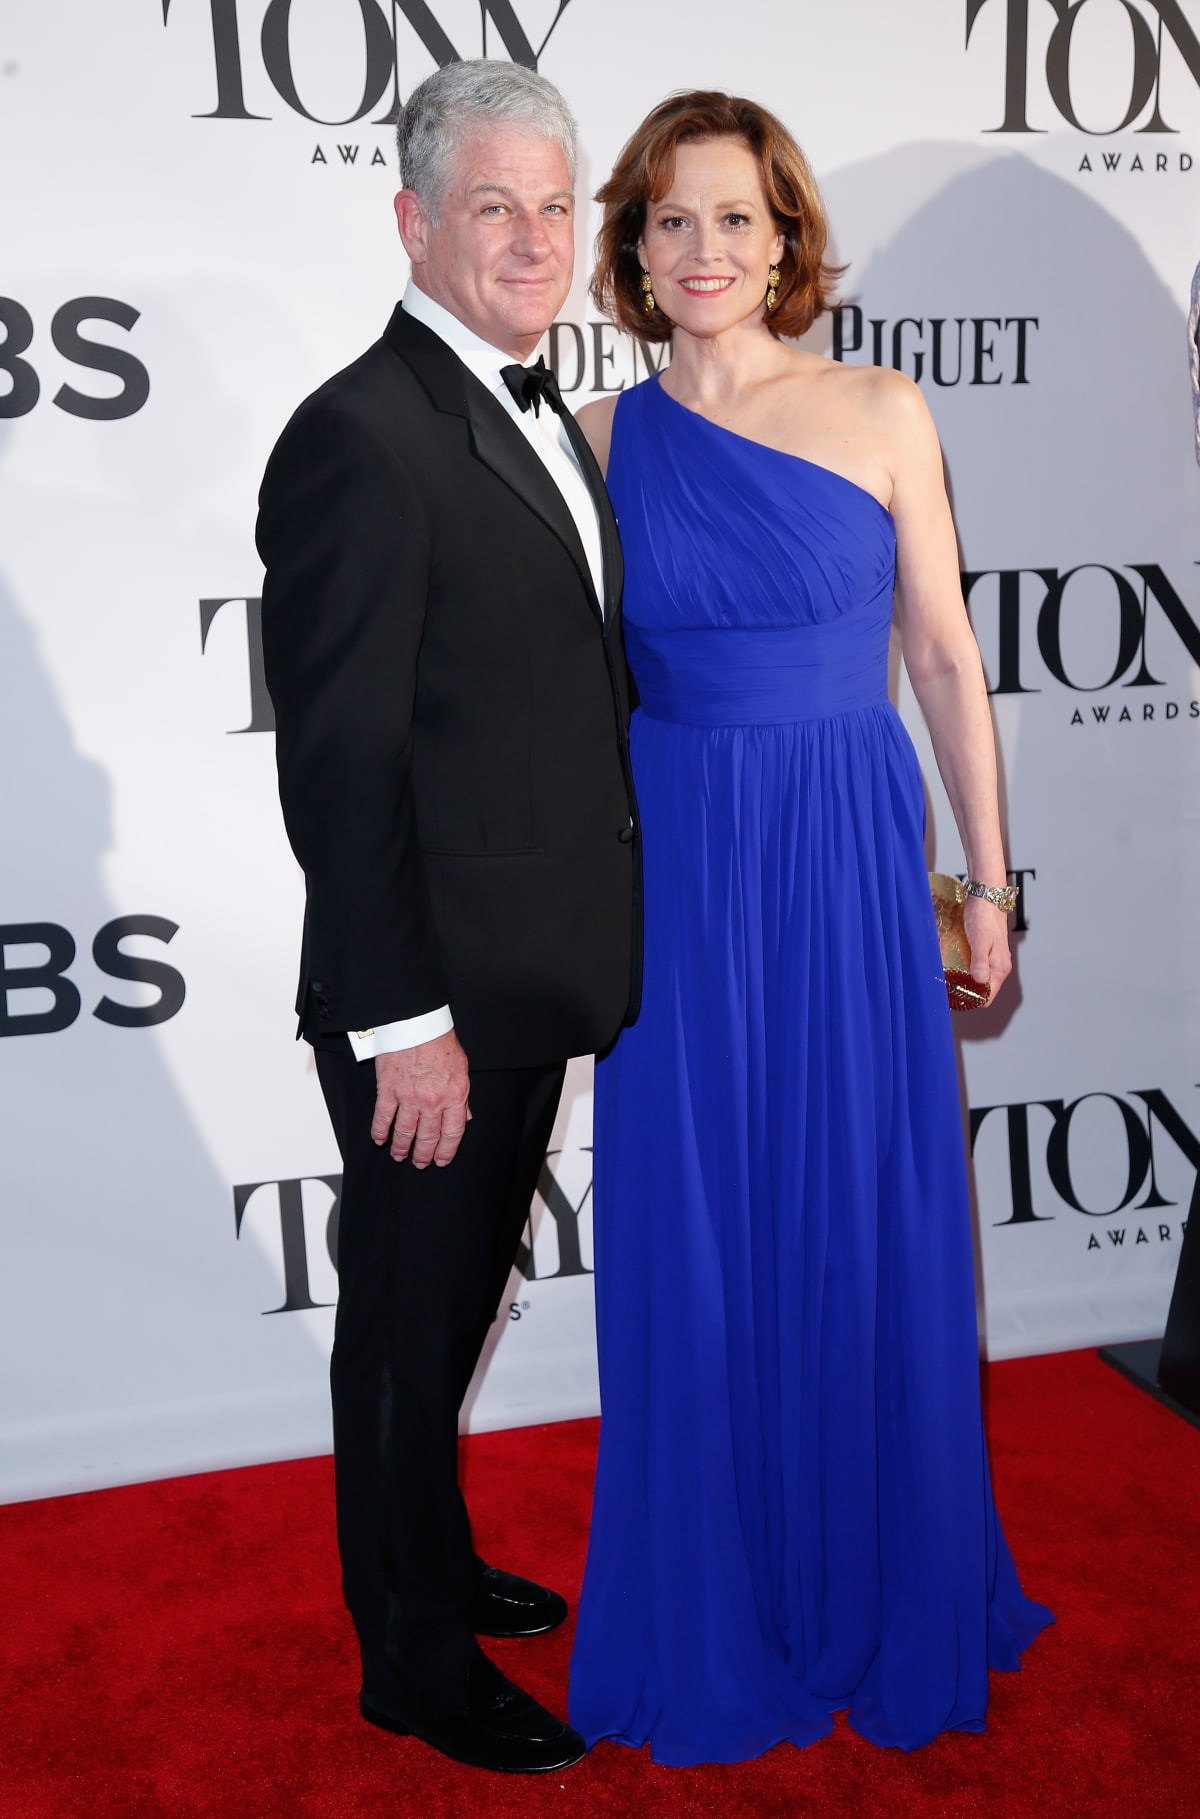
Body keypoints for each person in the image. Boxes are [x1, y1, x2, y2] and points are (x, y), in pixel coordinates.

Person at [567, 91, 1052, 1766]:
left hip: (848, 859)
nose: (706, 251)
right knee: (697, 1229)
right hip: (683, 869)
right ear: (632, 246)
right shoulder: (602, 444)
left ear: (788, 244)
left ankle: (874, 1581)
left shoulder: (879, 407)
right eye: (673, 221)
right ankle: (722, 1598)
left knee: (853, 1204)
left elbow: (942, 663)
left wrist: (986, 883)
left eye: (739, 221)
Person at [256, 60, 640, 1775]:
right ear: (414, 220)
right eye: (494, 205)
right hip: (434, 1006)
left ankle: (433, 1558)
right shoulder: (361, 434)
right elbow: (338, 768)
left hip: (532, 971)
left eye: (555, 206)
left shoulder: (535, 406)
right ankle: (405, 1660)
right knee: (408, 1328)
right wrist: (400, 1018)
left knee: (458, 1298)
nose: (534, 238)